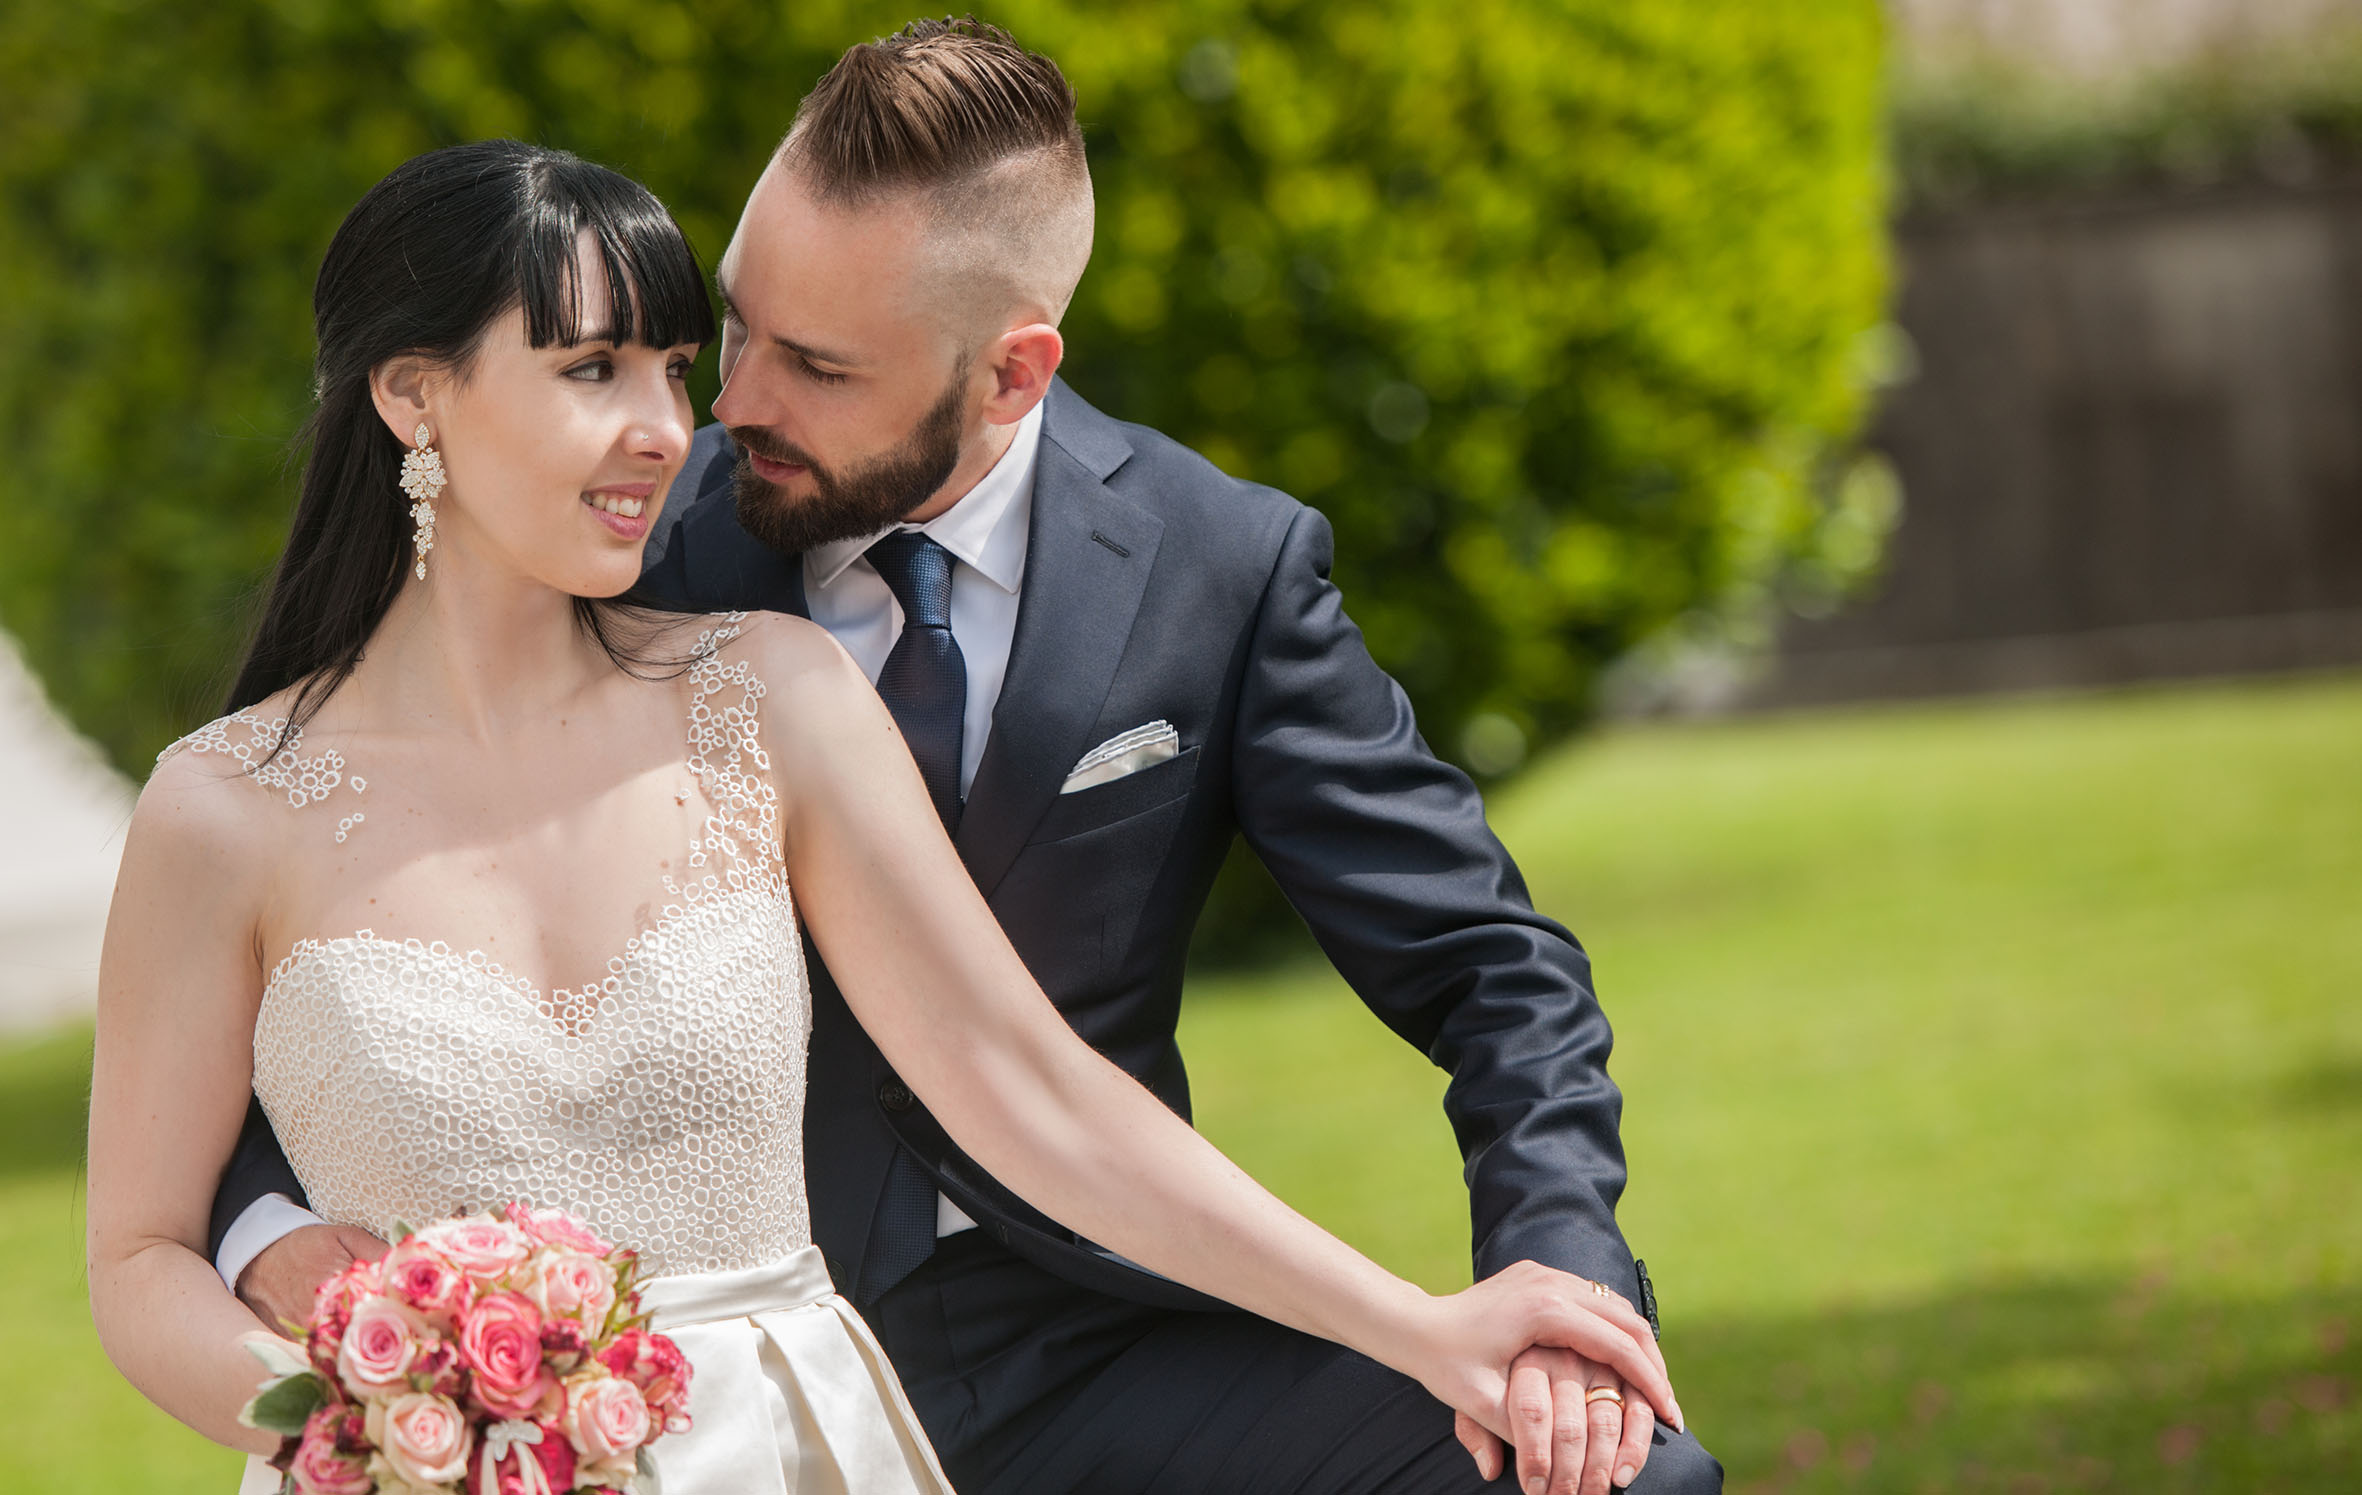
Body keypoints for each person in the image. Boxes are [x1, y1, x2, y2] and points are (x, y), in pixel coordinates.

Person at [201, 18, 1723, 1495]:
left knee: (1618, 1485)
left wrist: (1555, 1294)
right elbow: (336, 922)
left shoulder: (1219, 570)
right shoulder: (609, 546)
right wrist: (273, 1230)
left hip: (1095, 1335)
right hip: (686, 1374)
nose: (723, 407)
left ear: (1012, 373)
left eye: (817, 366)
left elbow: (1483, 965)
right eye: (733, 325)